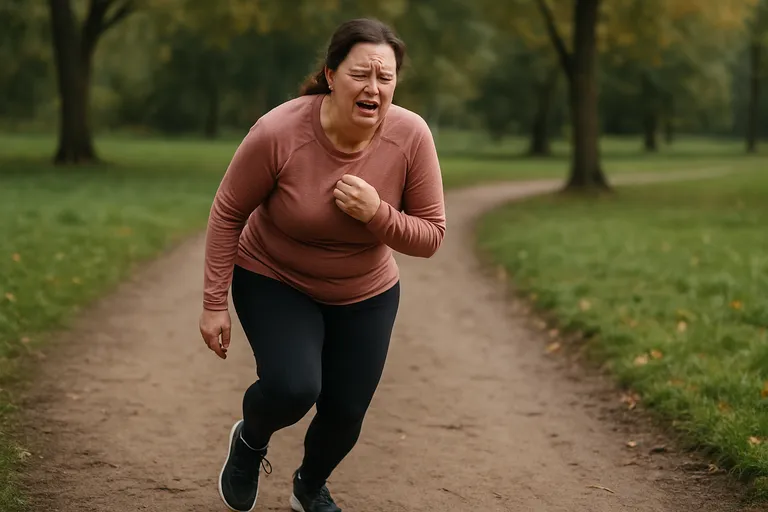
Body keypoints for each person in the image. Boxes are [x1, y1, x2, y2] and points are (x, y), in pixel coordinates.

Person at [198, 17, 446, 512]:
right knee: (293, 387)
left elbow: (431, 236)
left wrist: (376, 214)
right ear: (331, 75)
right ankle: (250, 440)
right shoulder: (279, 132)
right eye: (360, 74)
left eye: (385, 77)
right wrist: (213, 303)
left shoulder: (411, 136)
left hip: (365, 291)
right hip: (275, 276)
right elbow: (228, 212)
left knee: (346, 410)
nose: (374, 87)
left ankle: (309, 486)